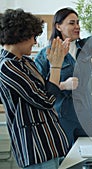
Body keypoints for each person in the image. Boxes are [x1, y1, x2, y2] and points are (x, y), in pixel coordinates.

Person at [34, 0, 92, 146]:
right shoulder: (46, 54)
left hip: (85, 116)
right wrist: (62, 85)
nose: (77, 27)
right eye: (72, 23)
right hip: (61, 116)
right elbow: (38, 89)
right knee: (65, 159)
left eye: (78, 23)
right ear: (58, 26)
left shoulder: (85, 47)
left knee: (87, 157)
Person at [0, 9, 69, 168]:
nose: (35, 42)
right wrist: (56, 66)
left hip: (50, 145)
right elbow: (47, 100)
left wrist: (55, 64)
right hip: (36, 149)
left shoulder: (26, 62)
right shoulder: (7, 66)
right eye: (33, 37)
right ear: (20, 35)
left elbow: (46, 89)